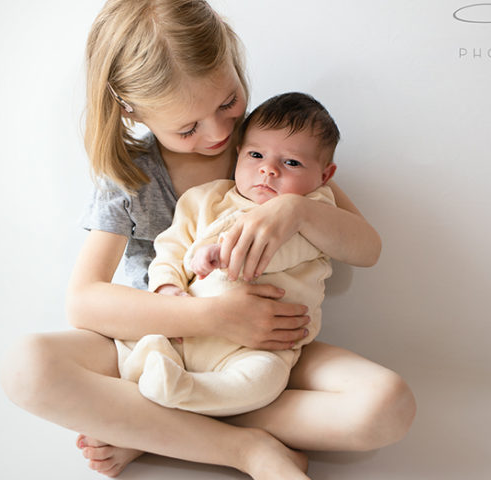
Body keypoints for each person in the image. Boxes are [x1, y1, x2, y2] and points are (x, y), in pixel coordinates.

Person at [0, 1, 416, 479]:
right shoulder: (130, 176)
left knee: (387, 406)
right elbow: (85, 303)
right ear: (133, 111)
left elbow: (367, 249)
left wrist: (295, 209)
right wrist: (212, 317)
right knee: (25, 368)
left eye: (227, 102)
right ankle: (243, 449)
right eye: (187, 127)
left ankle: (151, 426)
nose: (220, 132)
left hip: (268, 348)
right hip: (156, 346)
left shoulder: (270, 149)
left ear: (232, 57)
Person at [120, 92, 342, 417]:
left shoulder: (315, 211)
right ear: (238, 154)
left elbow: (290, 249)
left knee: (264, 380)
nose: (268, 170)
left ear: (324, 175)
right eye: (256, 154)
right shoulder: (204, 200)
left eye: (291, 162)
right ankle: (156, 376)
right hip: (189, 328)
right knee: (136, 341)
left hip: (259, 344)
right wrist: (168, 288)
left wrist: (226, 253)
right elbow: (170, 248)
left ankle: (188, 392)